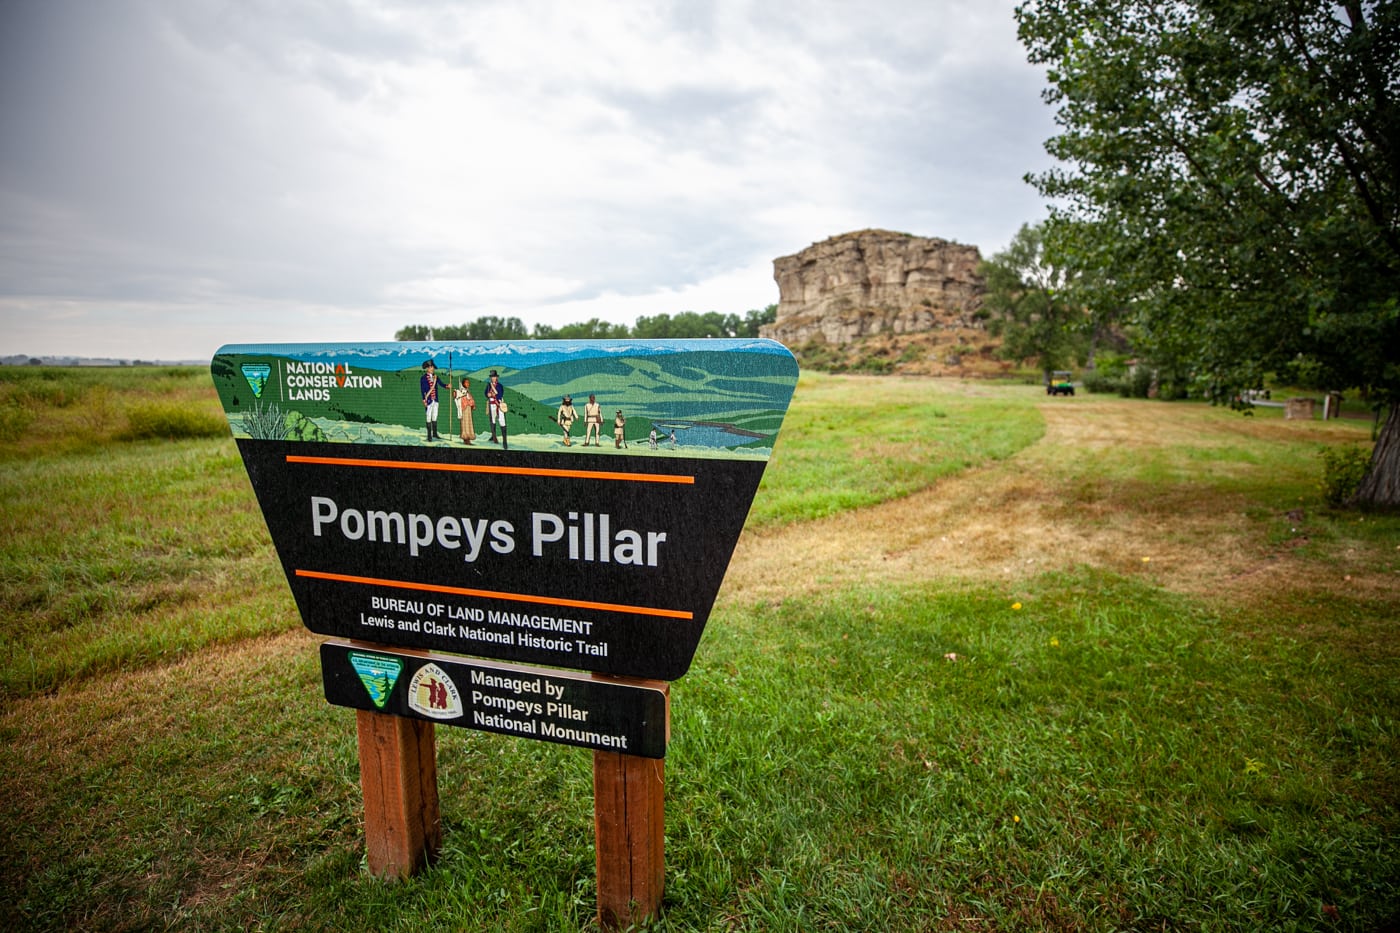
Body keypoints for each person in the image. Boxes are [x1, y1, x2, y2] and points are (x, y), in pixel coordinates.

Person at [420, 360, 449, 442]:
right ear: (427, 368)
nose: (432, 369)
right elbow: (422, 390)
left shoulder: (436, 377)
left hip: (435, 400)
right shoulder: (423, 378)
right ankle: (429, 435)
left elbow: (441, 384)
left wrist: (447, 386)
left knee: (435, 416)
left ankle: (435, 434)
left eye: (432, 367)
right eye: (430, 367)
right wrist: (423, 399)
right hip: (428, 400)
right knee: (428, 417)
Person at [454, 377, 477, 445]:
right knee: (464, 423)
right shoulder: (461, 391)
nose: (468, 384)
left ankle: (468, 438)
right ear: (463, 383)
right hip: (464, 409)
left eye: (468, 383)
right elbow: (457, 396)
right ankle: (465, 438)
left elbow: (470, 398)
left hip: (468, 409)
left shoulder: (467, 391)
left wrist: (472, 403)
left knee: (469, 423)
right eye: (466, 382)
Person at [485, 370, 505, 444]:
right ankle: (494, 436)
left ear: (496, 377)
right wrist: (488, 395)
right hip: (491, 404)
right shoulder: (489, 385)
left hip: (497, 404)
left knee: (501, 420)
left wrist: (494, 395)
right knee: (492, 420)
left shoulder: (499, 386)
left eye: (494, 377)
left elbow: (500, 395)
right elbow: (485, 393)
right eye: (492, 377)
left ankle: (503, 439)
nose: (493, 378)